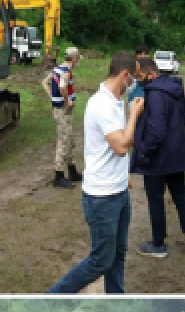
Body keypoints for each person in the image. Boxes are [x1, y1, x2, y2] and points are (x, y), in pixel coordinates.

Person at [49, 52, 142, 295]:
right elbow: (121, 146)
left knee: (118, 254)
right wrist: (134, 114)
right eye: (133, 79)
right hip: (102, 197)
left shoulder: (115, 101)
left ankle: (115, 299)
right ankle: (53, 296)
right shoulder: (101, 104)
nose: (134, 84)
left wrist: (125, 177)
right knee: (101, 260)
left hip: (119, 192)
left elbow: (115, 145)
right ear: (124, 75)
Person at [130, 56, 185, 258]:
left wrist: (143, 150)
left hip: (156, 158)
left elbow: (157, 131)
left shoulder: (153, 95)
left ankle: (158, 244)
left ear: (151, 74)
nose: (139, 81)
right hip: (177, 154)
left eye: (140, 77)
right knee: (181, 195)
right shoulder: (176, 89)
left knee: (155, 199)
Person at [45, 46, 81, 188]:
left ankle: (72, 170)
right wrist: (67, 101)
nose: (77, 61)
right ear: (74, 59)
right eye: (77, 58)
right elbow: (61, 87)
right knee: (64, 141)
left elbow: (45, 82)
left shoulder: (57, 69)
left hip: (59, 109)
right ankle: (58, 176)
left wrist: (52, 97)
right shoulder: (65, 71)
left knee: (70, 138)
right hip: (62, 111)